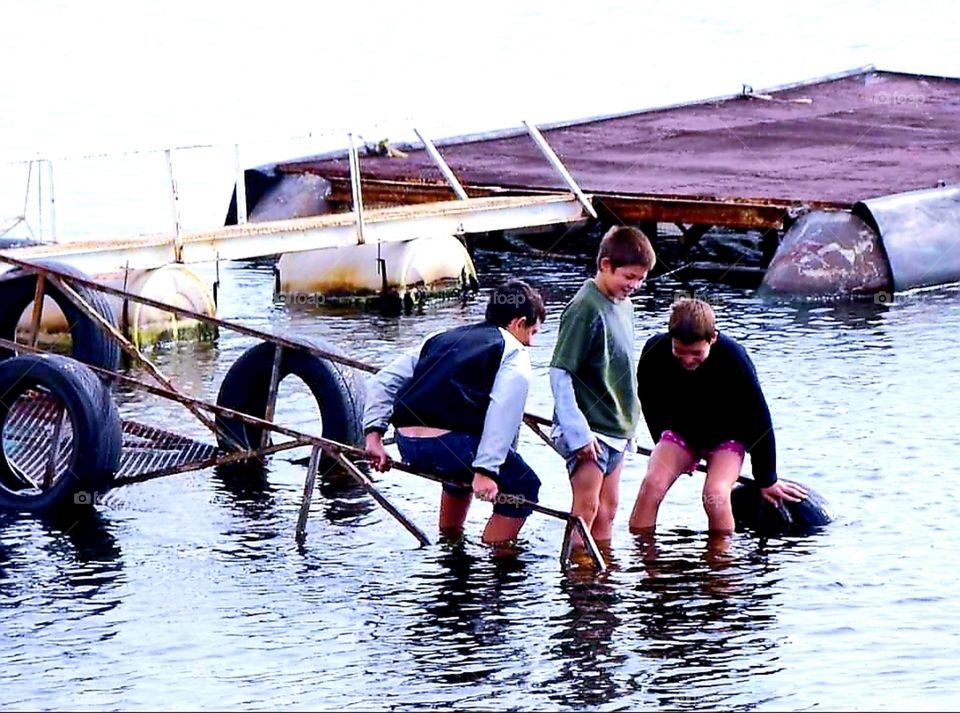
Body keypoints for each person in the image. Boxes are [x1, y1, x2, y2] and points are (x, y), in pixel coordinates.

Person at [363, 279, 545, 545]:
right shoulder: (513, 351)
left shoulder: (440, 337)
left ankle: (450, 543)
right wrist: (487, 471)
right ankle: (496, 556)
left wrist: (374, 438)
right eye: (534, 332)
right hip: (454, 447)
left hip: (408, 444)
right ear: (518, 323)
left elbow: (383, 381)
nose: (531, 343)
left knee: (458, 470)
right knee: (525, 486)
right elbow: (503, 411)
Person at [628, 297, 807, 535]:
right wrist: (662, 440)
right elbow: (650, 400)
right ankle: (643, 561)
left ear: (712, 338)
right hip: (681, 434)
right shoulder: (654, 351)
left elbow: (759, 419)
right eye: (680, 351)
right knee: (652, 486)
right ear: (670, 338)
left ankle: (720, 567)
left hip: (727, 439)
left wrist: (766, 478)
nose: (688, 359)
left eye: (696, 352)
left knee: (715, 495)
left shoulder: (734, 357)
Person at [549, 225, 656, 548]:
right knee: (587, 507)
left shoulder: (624, 306)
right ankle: (576, 576)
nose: (634, 285)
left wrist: (631, 426)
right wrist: (576, 431)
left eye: (641, 279)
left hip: (617, 428)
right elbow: (559, 372)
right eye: (629, 277)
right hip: (590, 430)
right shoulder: (585, 308)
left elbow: (622, 368)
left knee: (608, 511)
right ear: (606, 265)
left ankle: (601, 579)